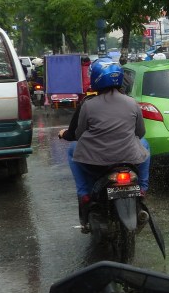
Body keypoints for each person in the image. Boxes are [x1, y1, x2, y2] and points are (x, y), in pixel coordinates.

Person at [59, 59, 150, 230]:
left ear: (95, 78)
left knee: (72, 151)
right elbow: (140, 133)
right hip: (130, 161)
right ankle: (143, 188)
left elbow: (78, 134)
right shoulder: (132, 103)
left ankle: (84, 194)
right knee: (145, 144)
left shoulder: (88, 105)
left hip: (97, 164)